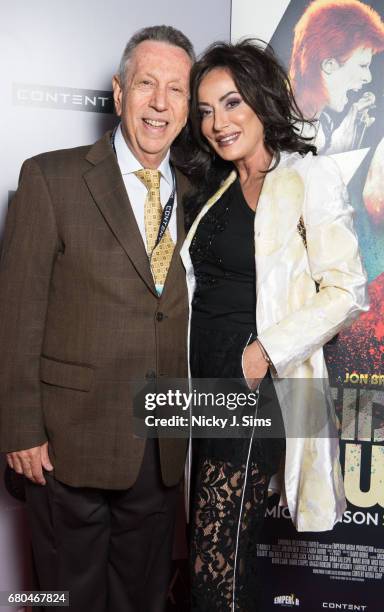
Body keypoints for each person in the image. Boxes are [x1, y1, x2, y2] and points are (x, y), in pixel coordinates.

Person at [0, 25, 194, 612]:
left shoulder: (198, 190)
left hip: (158, 447)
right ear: (118, 92)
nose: (160, 103)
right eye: (146, 85)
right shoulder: (50, 178)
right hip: (67, 444)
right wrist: (20, 429)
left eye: (177, 90)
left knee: (142, 599)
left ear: (189, 104)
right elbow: (17, 311)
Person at [180, 39, 369, 611]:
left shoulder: (308, 178)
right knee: (213, 546)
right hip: (200, 386)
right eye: (207, 110)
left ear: (262, 102)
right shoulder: (212, 187)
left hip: (254, 386)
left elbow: (347, 290)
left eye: (232, 103)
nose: (218, 122)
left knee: (220, 553)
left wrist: (266, 349)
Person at [289, 0, 384, 154]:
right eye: (363, 65)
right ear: (329, 65)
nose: (369, 77)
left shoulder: (324, 125)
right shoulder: (278, 129)